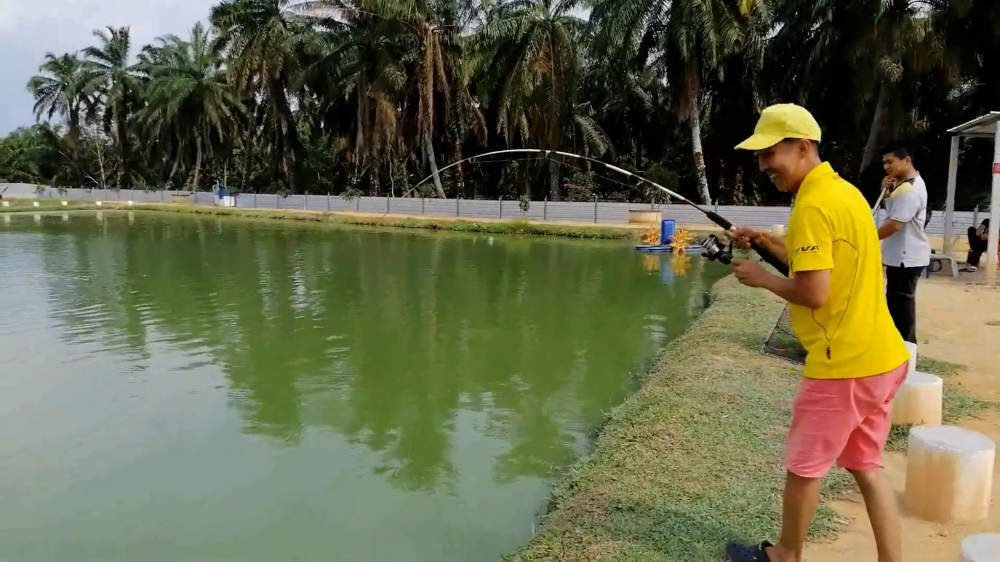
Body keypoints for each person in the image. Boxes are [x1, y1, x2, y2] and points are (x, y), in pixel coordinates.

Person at [722, 104, 910, 562]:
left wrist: (761, 278)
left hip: (842, 365)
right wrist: (765, 242)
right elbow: (820, 263)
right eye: (760, 154)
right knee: (867, 467)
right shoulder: (845, 193)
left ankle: (785, 554)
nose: (763, 164)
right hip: (883, 357)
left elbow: (813, 292)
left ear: (803, 147)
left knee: (803, 467)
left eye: (770, 152)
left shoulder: (812, 204)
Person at [876, 142, 930, 343]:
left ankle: (907, 349)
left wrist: (866, 238)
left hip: (906, 258)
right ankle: (897, 347)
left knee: (902, 309)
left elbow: (895, 224)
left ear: (906, 160)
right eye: (884, 163)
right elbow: (891, 210)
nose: (886, 167)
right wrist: (885, 191)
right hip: (898, 256)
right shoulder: (901, 185)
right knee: (895, 304)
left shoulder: (911, 189)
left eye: (890, 162)